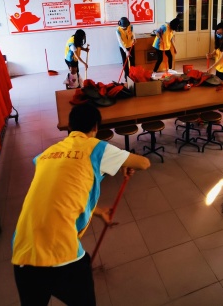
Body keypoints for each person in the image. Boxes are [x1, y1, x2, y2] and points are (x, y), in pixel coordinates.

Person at [12, 103, 151, 306]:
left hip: (22, 253)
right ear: (95, 127)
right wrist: (124, 162)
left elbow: (61, 194)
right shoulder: (96, 147)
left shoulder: (46, 154)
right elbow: (144, 163)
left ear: (70, 127)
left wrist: (98, 211)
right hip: (61, 254)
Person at [116, 17, 135, 82]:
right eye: (123, 27)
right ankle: (127, 76)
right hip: (123, 47)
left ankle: (133, 75)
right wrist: (125, 51)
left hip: (130, 45)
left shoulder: (130, 27)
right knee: (125, 62)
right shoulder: (118, 31)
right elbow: (120, 42)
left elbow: (133, 33)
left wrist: (134, 39)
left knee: (132, 61)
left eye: (125, 27)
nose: (125, 28)